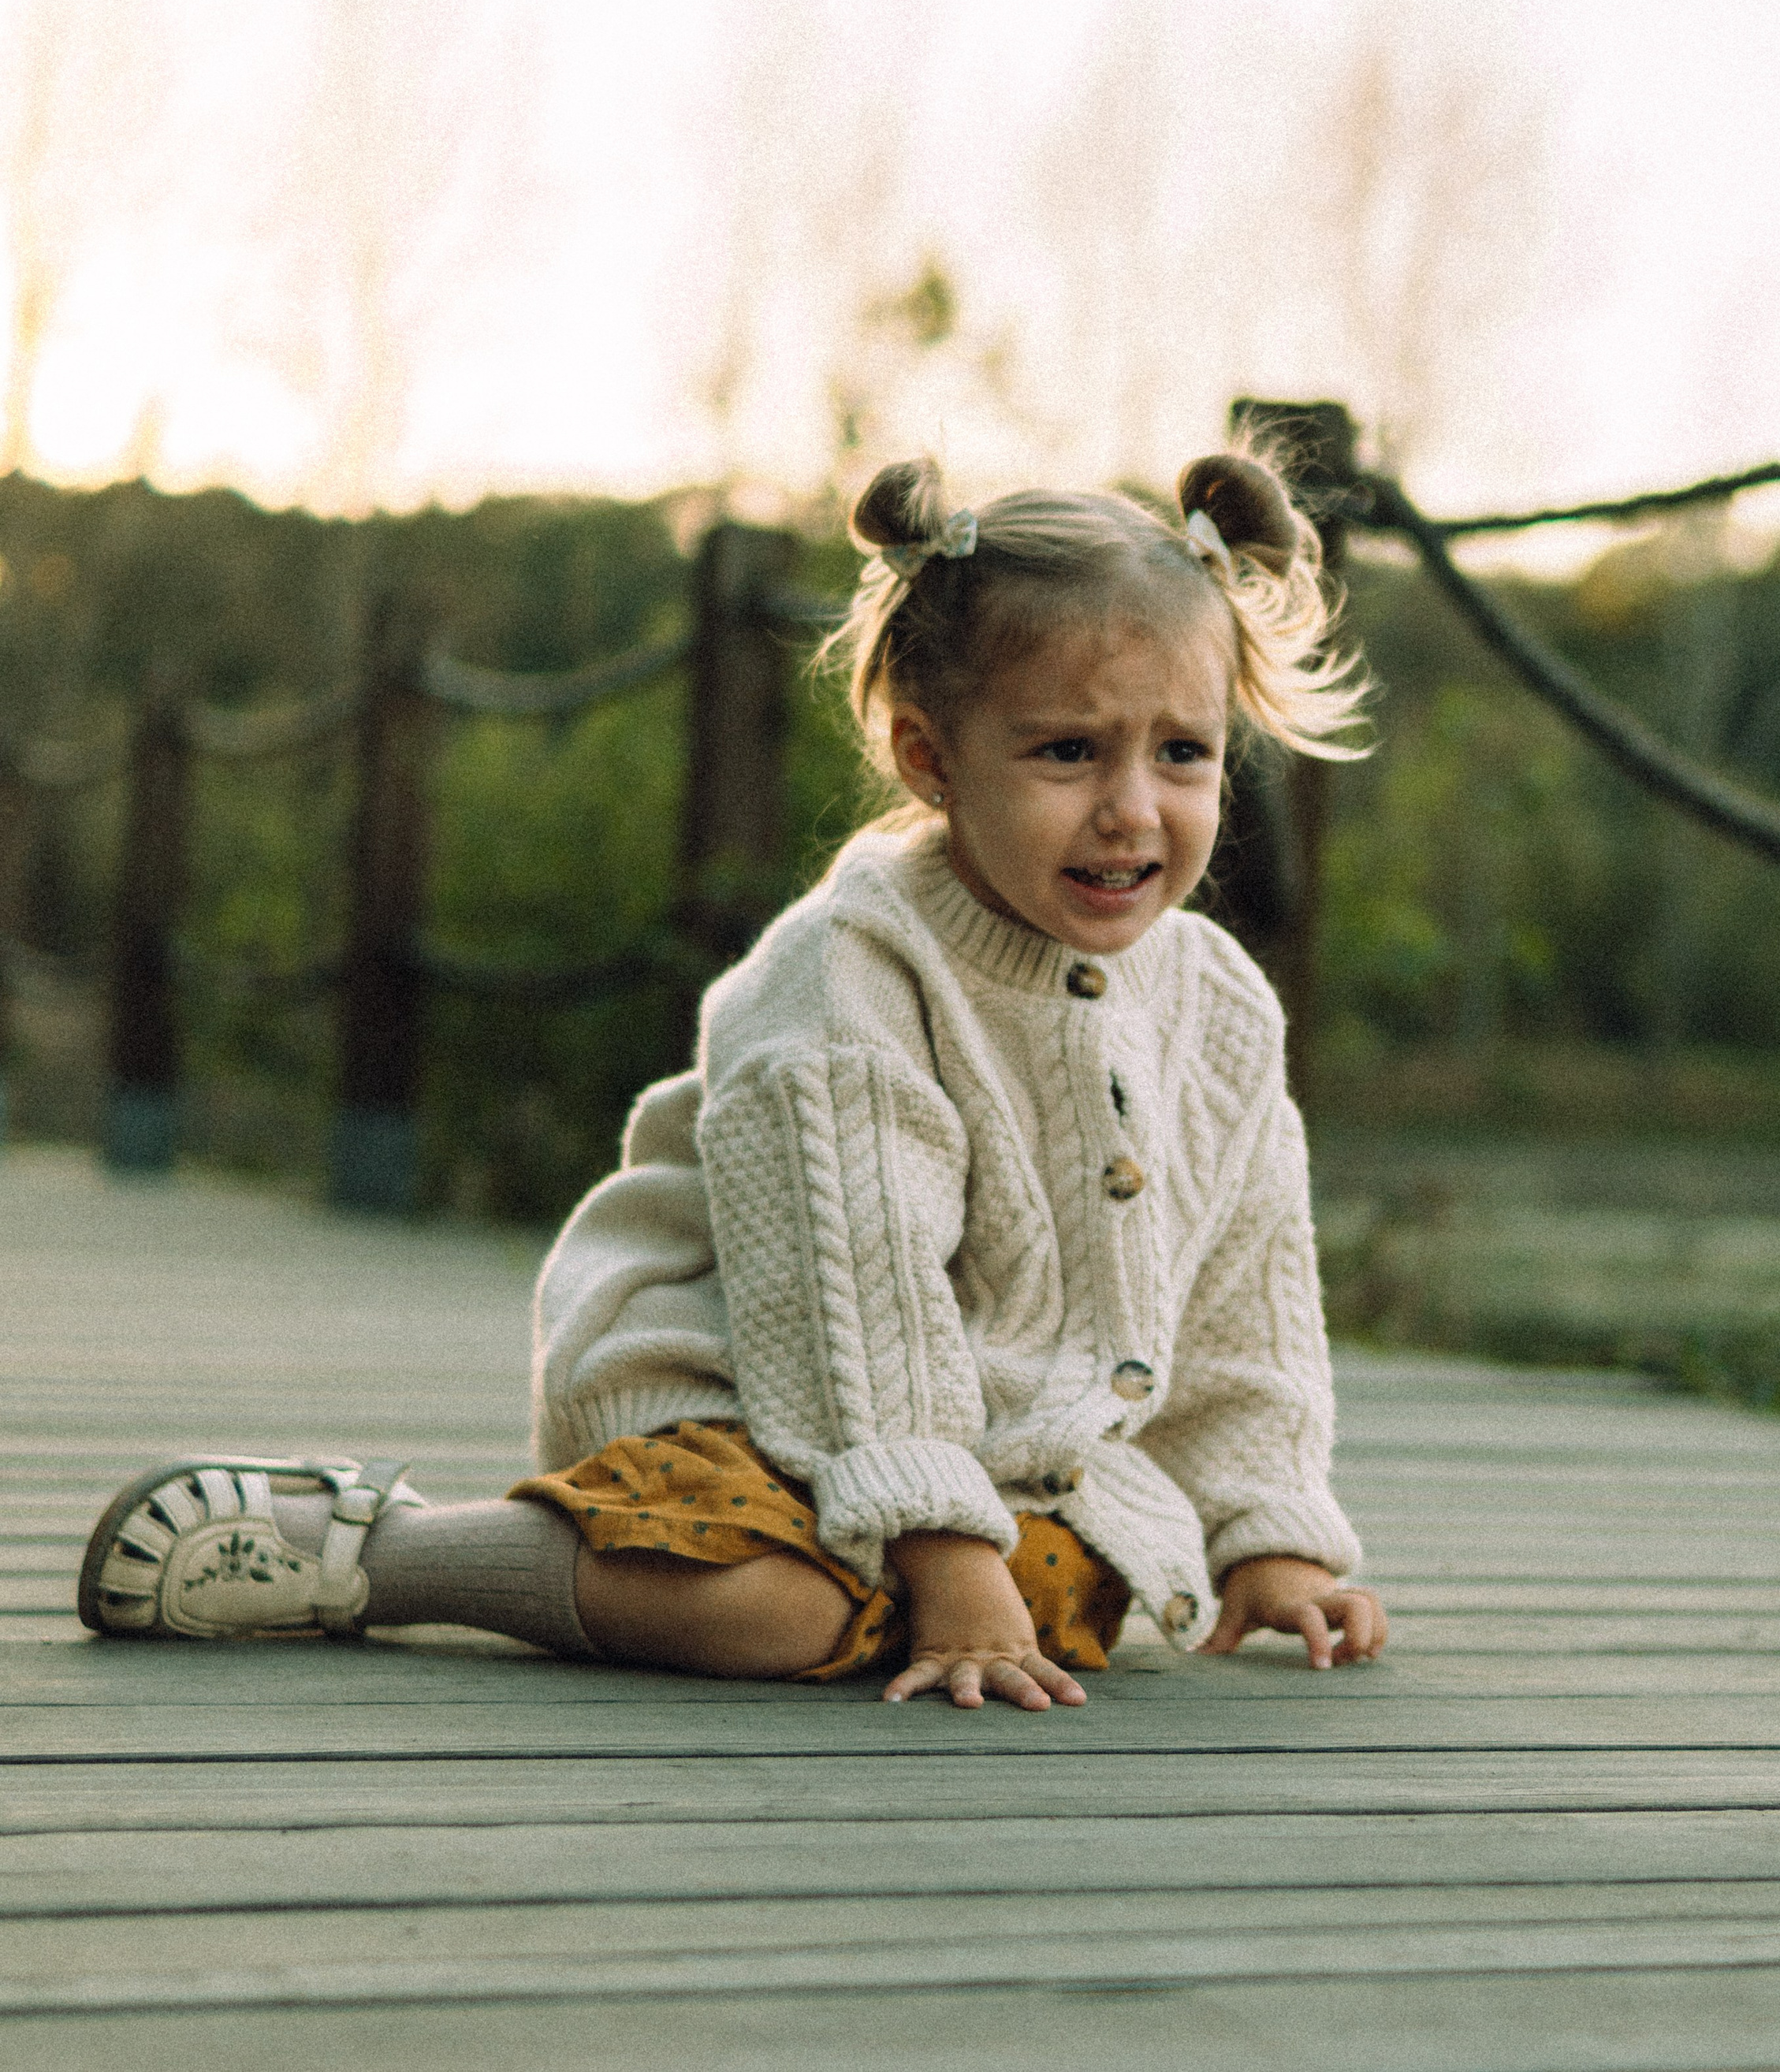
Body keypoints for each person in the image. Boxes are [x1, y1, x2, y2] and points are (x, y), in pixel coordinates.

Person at [78, 450, 1388, 1707]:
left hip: (987, 1447)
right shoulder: (853, 967)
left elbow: (1239, 1299)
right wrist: (943, 1549)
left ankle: (923, 1560)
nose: (1132, 808)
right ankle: (377, 1551)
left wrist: (1263, 1529)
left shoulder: (1214, 1003)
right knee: (776, 1609)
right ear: (931, 756)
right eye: (1066, 752)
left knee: (1094, 1581)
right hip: (734, 1383)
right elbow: (851, 1289)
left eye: (1183, 754)